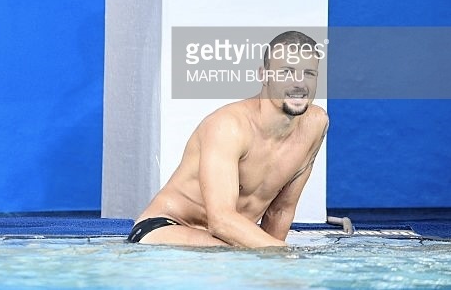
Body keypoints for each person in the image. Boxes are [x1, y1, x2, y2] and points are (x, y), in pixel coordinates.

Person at [128, 30, 328, 247]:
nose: (299, 84)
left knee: (254, 255)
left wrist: (273, 265)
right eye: (287, 72)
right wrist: (284, 255)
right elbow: (221, 221)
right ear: (264, 75)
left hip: (225, 240)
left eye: (309, 73)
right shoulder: (229, 127)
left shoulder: (315, 125)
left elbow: (280, 211)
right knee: (245, 252)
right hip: (164, 228)